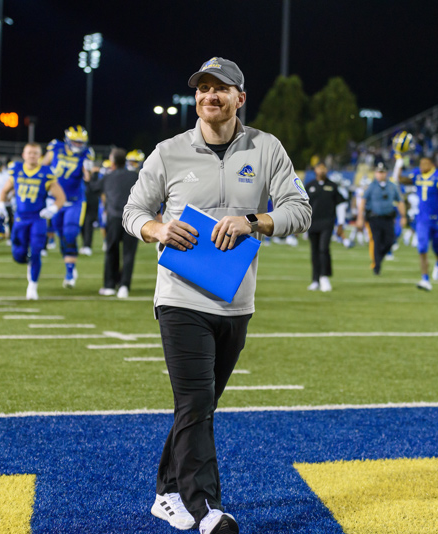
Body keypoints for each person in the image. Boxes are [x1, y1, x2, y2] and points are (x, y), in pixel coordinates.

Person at [122, 57, 311, 534]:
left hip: (235, 299)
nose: (210, 96)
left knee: (199, 405)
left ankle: (166, 493)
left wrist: (254, 222)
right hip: (180, 297)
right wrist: (158, 228)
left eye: (221, 89)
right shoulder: (168, 151)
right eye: (203, 89)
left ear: (239, 98)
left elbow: (299, 209)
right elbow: (133, 210)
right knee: (195, 399)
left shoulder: (266, 148)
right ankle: (205, 508)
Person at [0, 143, 65, 300]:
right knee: (18, 254)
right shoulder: (16, 169)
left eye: (35, 153)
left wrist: (52, 209)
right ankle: (28, 261)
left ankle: (33, 285)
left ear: (40, 155)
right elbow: (5, 190)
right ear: (23, 154)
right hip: (20, 218)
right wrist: (0, 205)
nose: (32, 155)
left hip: (37, 219)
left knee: (36, 251)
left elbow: (60, 197)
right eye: (29, 153)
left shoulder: (46, 173)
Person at [42, 125, 95, 288]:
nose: (79, 145)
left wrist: (88, 168)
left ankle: (70, 273)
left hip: (75, 200)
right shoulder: (56, 148)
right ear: (67, 140)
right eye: (75, 142)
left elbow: (87, 178)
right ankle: (69, 264)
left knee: (70, 233)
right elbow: (43, 166)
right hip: (55, 199)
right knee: (61, 235)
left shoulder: (87, 154)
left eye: (81, 142)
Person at [396, 155, 438, 291]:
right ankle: (425, 279)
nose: (422, 166)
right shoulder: (417, 176)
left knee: (436, 248)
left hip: (437, 219)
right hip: (422, 219)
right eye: (421, 164)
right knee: (422, 248)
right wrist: (399, 163)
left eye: (425, 164)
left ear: (431, 165)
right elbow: (399, 179)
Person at [89, 148, 141, 298]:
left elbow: (93, 188)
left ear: (112, 162)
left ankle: (110, 285)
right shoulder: (134, 176)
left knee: (112, 251)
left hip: (114, 219)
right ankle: (124, 285)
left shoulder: (108, 177)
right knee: (129, 253)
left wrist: (93, 174)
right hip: (132, 218)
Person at [356, 162, 405, 275]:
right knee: (377, 241)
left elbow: (400, 201)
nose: (381, 174)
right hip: (374, 218)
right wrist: (360, 217)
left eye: (383, 172)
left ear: (386, 173)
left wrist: (403, 216)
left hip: (388, 218)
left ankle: (379, 258)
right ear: (375, 173)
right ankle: (377, 265)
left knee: (390, 240)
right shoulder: (371, 186)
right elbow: (363, 201)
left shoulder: (392, 186)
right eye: (379, 172)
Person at [305, 162, 343, 290]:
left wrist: (341, 224)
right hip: (312, 223)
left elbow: (341, 204)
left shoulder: (332, 186)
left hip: (327, 222)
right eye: (319, 168)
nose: (321, 170)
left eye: (323, 168)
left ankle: (324, 276)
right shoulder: (309, 186)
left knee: (323, 248)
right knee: (314, 251)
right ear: (315, 169)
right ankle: (315, 279)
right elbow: (303, 206)